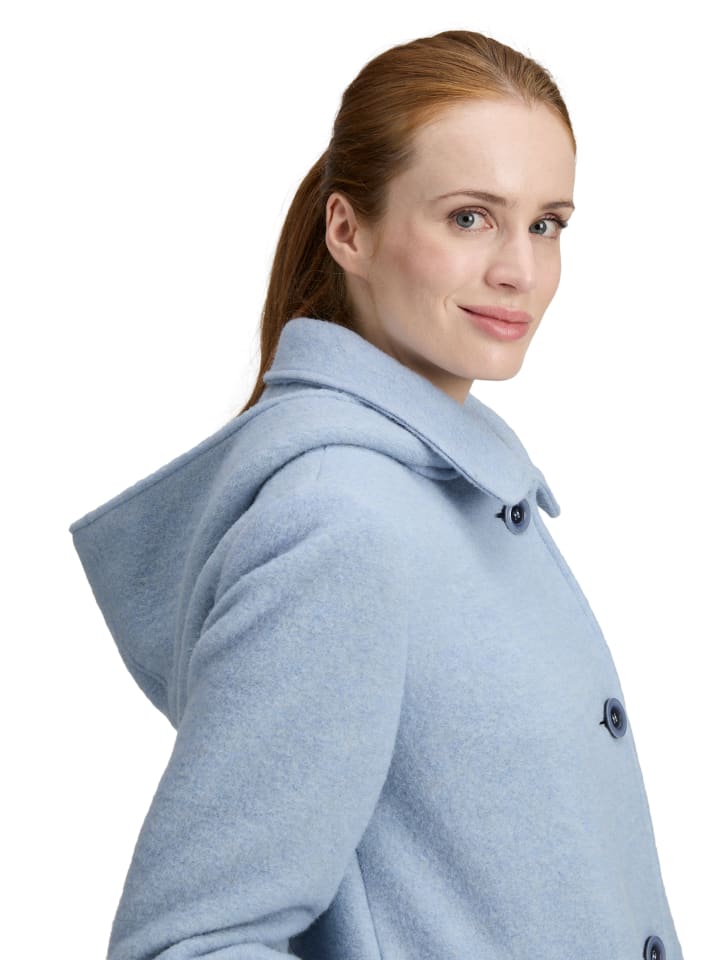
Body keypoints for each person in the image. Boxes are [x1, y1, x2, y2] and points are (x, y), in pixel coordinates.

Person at [68, 29, 684, 960]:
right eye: (470, 217)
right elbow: (188, 942)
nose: (520, 270)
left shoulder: (451, 491)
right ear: (348, 231)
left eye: (546, 224)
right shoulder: (341, 521)